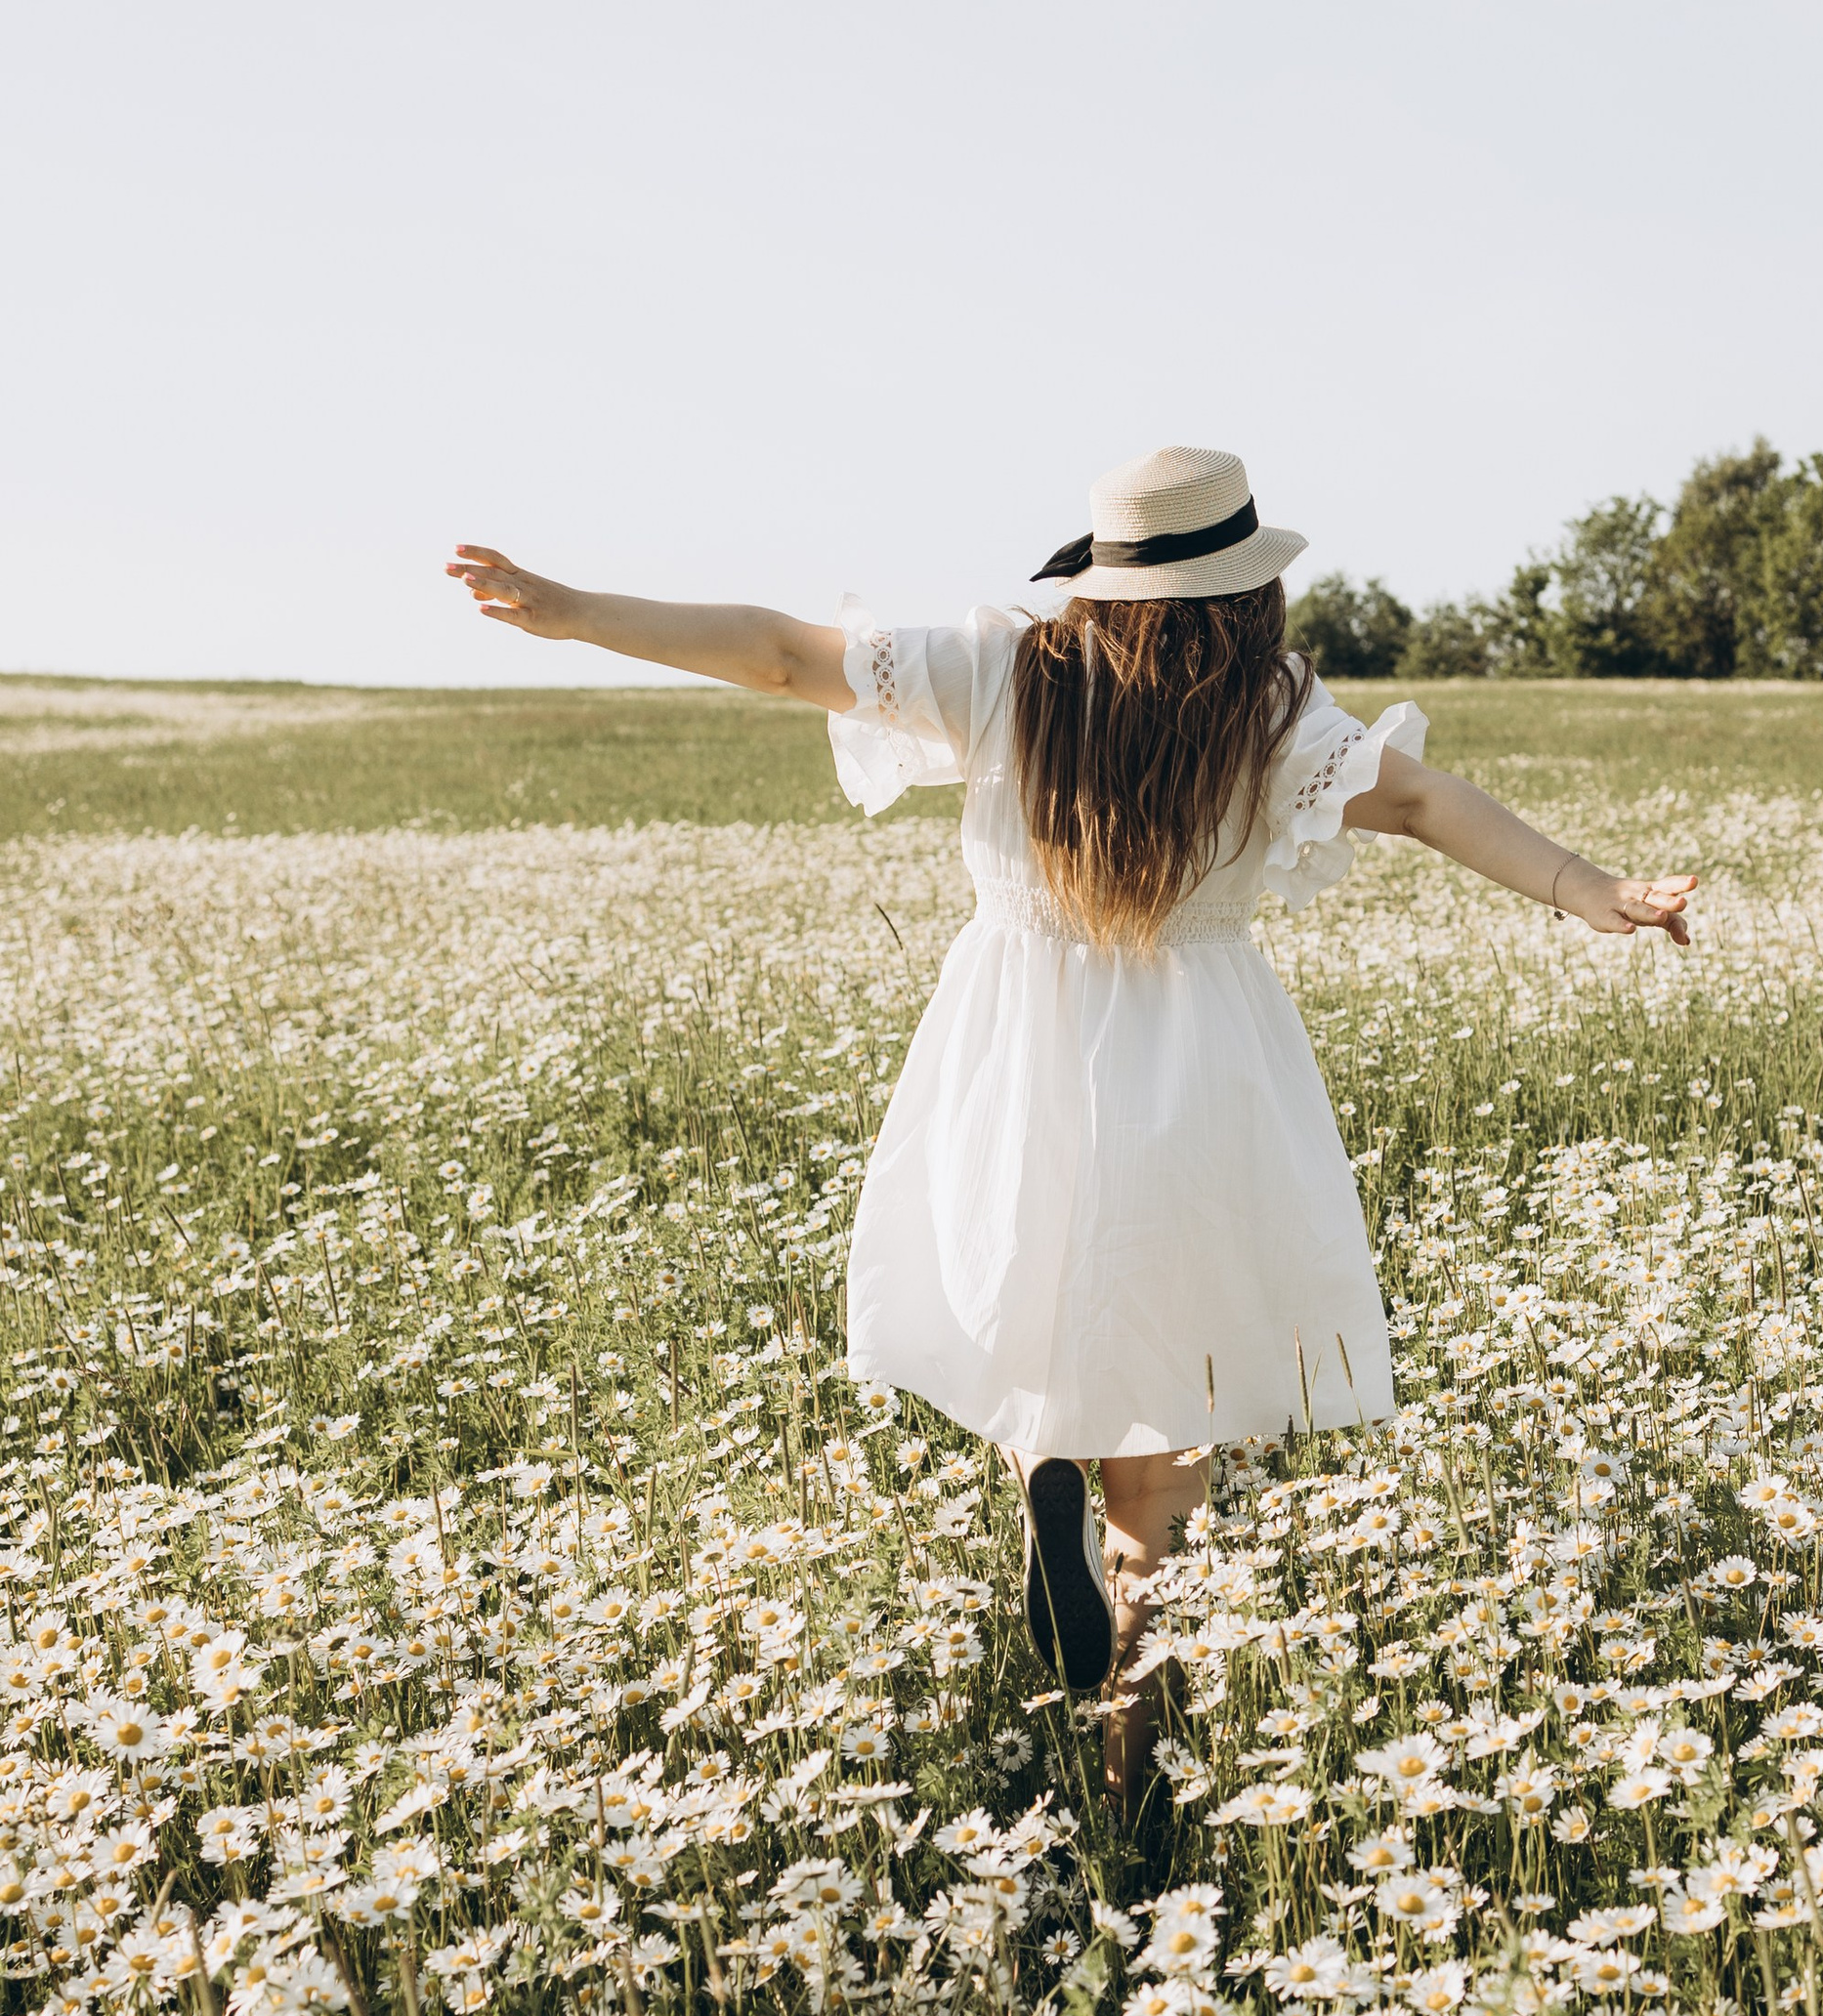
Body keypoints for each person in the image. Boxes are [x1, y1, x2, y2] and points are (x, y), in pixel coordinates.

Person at [448, 445, 1695, 1807]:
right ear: (1248, 593)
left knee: (1023, 1308)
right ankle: (1131, 1776)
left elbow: (782, 653)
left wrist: (575, 612)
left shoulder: (1009, 668)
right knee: (1170, 1437)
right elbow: (1420, 800)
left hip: (1017, 1057)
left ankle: (1042, 1461)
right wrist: (1592, 889)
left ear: (1102, 577)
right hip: (1199, 1078)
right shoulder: (1266, 711)